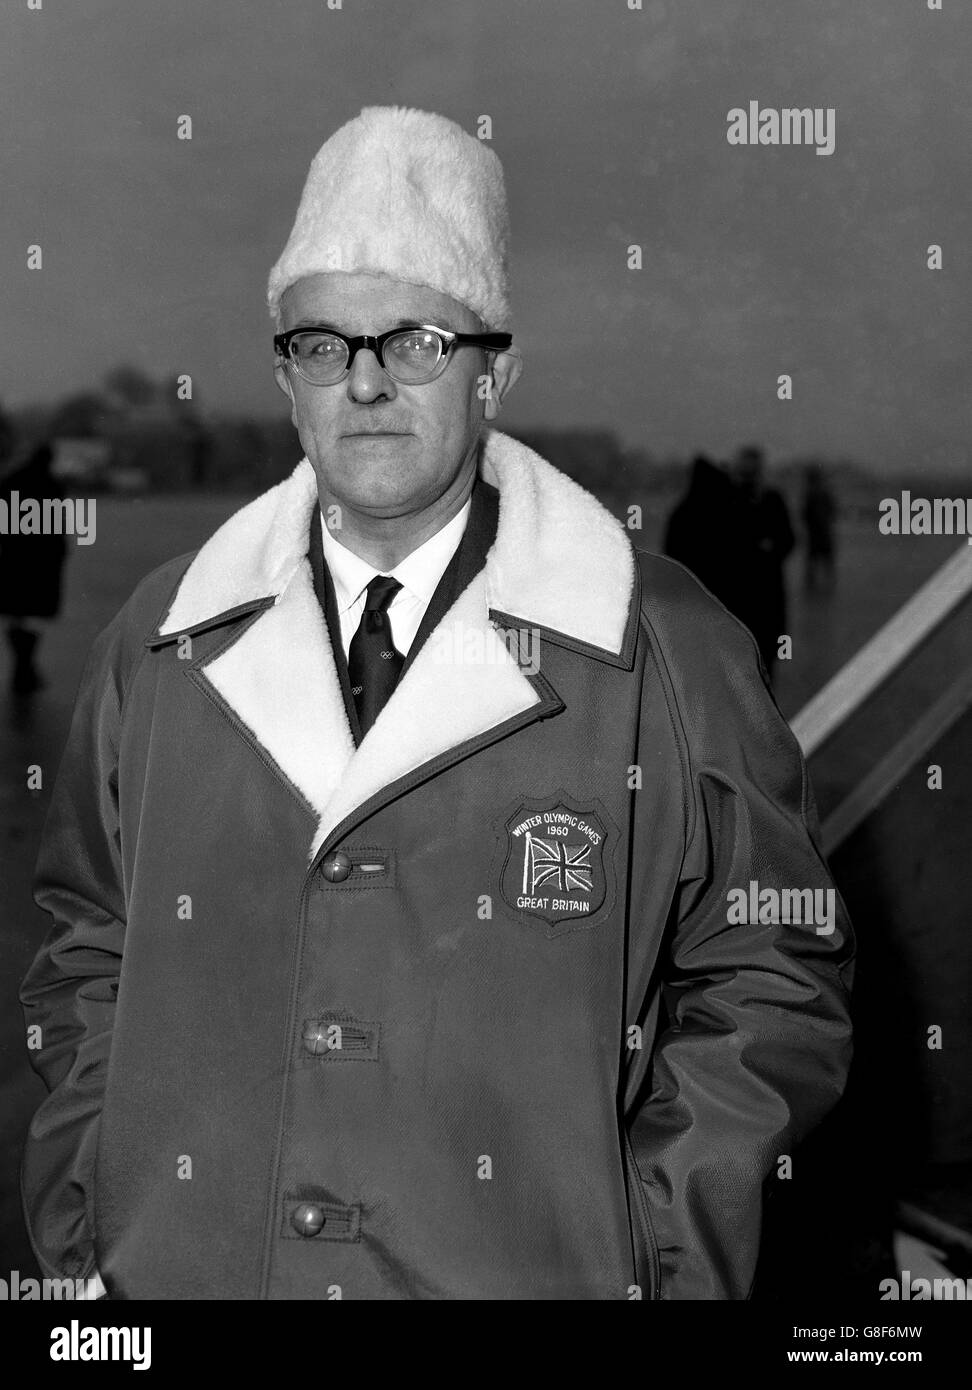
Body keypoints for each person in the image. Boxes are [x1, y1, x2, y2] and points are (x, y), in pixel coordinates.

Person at [20, 106, 853, 1301]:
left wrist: (657, 1262)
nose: (364, 382)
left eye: (414, 340)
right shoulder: (157, 646)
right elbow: (82, 953)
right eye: (321, 343)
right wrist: (88, 1236)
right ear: (285, 375)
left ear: (495, 371)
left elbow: (775, 975)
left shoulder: (662, 650)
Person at [0, 435, 68, 694]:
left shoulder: (11, 482)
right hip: (42, 561)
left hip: (14, 558)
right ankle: (25, 666)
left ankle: (23, 666)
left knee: (17, 613)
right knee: (33, 614)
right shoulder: (52, 486)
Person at [731, 445, 796, 678]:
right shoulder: (732, 500)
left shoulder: (771, 499)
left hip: (762, 592)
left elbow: (788, 540)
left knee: (764, 658)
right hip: (747, 592)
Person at [663, 454, 741, 613]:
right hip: (718, 594)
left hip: (690, 593)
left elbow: (671, 555)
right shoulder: (723, 511)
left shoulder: (682, 513)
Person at [801, 463, 837, 593]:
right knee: (825, 562)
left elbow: (804, 514)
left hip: (816, 533)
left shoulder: (811, 494)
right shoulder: (822, 493)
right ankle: (827, 586)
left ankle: (814, 586)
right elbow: (832, 511)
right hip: (822, 532)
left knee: (814, 563)